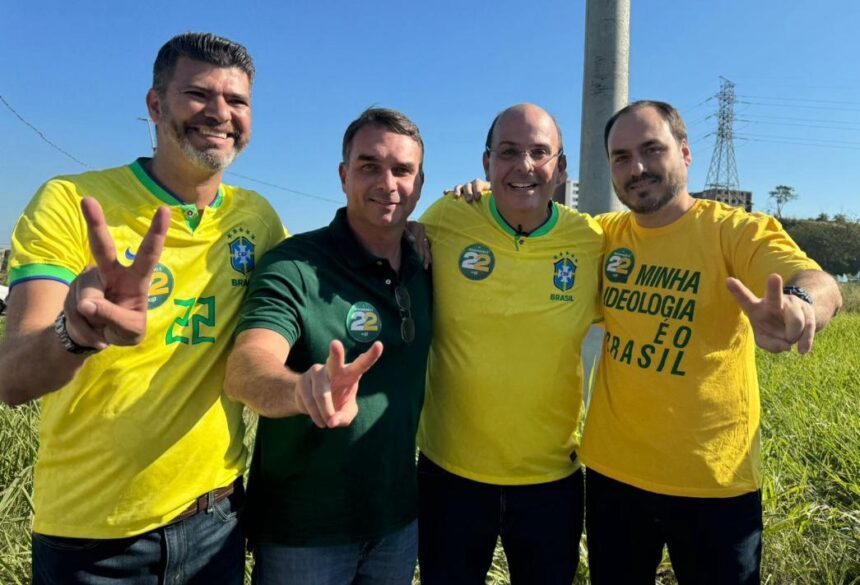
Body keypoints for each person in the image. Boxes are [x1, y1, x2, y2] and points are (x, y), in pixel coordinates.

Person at [0, 32, 285, 584]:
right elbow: (11, 379)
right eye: (198, 94)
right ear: (155, 105)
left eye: (238, 101)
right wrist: (77, 331)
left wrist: (417, 234)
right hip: (92, 537)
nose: (220, 114)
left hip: (216, 522)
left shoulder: (258, 218)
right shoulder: (72, 203)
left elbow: (320, 281)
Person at [578, 100, 842, 585]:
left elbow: (817, 280)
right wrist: (476, 197)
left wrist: (801, 305)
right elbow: (528, 226)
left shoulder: (732, 230)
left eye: (651, 149)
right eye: (621, 157)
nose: (636, 168)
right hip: (613, 477)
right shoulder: (600, 235)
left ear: (684, 153)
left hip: (715, 482)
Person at [224, 107, 432, 585]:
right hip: (305, 532)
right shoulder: (295, 264)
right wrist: (301, 389)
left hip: (397, 521)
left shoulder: (425, 263)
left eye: (403, 170)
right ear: (343, 176)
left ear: (420, 183)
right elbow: (247, 364)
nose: (388, 183)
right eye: (369, 166)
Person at [417, 103, 603, 585]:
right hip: (450, 476)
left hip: (552, 482)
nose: (524, 165)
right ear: (486, 164)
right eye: (508, 152)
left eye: (540, 152)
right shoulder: (447, 220)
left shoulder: (590, 241)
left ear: (561, 169)